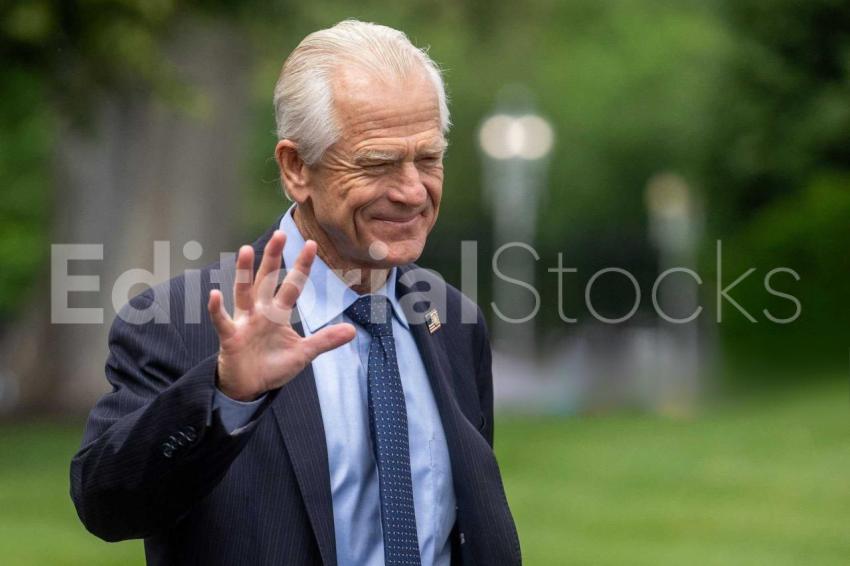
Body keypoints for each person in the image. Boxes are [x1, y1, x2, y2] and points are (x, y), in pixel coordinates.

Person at [70, 19, 520, 566]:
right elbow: (106, 506)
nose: (411, 191)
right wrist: (227, 395)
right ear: (296, 168)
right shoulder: (182, 321)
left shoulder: (452, 320)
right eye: (378, 164)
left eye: (428, 159)